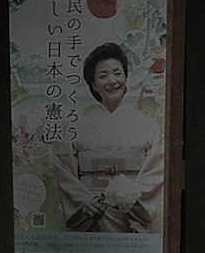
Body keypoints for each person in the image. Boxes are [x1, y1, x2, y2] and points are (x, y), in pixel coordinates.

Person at [54, 40, 166, 233]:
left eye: (117, 73)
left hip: (130, 215)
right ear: (94, 85)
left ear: (126, 79)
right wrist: (83, 202)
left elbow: (156, 171)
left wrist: (128, 196)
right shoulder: (78, 127)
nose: (112, 81)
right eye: (103, 76)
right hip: (91, 214)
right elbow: (65, 172)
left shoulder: (148, 126)